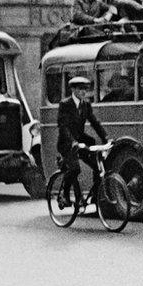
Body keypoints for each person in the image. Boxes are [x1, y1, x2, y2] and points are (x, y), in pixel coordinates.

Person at [56, 77, 109, 205]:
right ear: (73, 89)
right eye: (80, 89)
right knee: (75, 169)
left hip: (81, 141)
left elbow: (94, 122)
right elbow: (63, 126)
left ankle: (96, 196)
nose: (84, 92)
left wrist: (106, 138)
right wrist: (73, 142)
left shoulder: (86, 105)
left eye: (86, 89)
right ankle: (64, 193)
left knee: (98, 167)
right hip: (67, 143)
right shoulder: (65, 104)